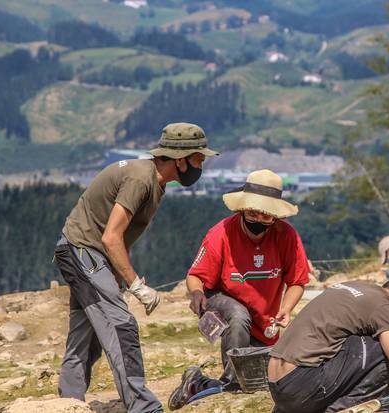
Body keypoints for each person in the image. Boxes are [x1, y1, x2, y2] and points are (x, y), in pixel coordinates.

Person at [53, 122, 217, 413]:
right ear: (180, 160)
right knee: (121, 325)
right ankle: (143, 407)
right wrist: (136, 286)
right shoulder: (141, 180)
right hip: (82, 251)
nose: (201, 165)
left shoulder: (154, 182)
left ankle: (68, 402)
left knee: (87, 334)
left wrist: (115, 274)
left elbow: (118, 236)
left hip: (84, 252)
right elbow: (111, 236)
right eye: (198, 158)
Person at [169, 169, 310, 409]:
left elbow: (297, 281)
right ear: (242, 209)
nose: (259, 221)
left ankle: (196, 383)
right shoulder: (221, 234)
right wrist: (196, 294)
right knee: (238, 318)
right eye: (253, 213)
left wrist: (285, 308)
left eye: (267, 217)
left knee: (262, 381)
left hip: (264, 321)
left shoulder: (286, 236)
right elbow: (196, 276)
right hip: (224, 304)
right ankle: (230, 386)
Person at [267, 267, 389, 413]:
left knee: (366, 340)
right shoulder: (385, 310)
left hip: (277, 385)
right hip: (301, 385)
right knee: (384, 350)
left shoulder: (359, 288)